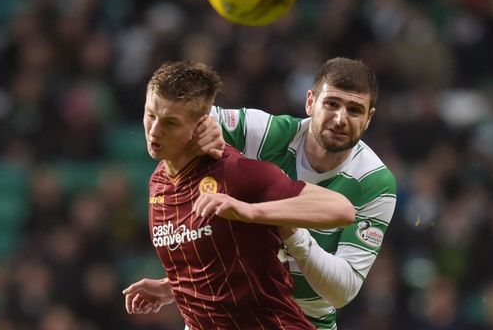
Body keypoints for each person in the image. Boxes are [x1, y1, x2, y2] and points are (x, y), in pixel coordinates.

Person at [126, 57, 397, 329]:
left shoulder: (374, 181)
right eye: (331, 104)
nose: (340, 119)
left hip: (304, 319)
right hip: (227, 308)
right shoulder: (264, 132)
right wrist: (177, 287)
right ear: (310, 102)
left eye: (354, 110)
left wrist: (280, 222)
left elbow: (341, 291)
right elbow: (188, 112)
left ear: (369, 118)